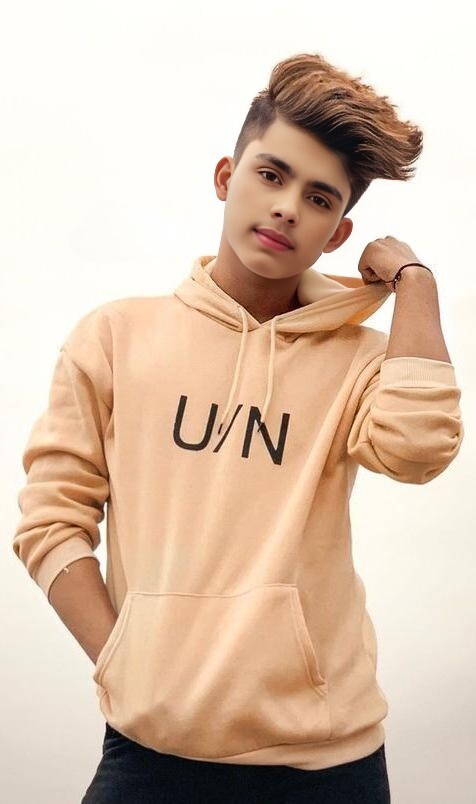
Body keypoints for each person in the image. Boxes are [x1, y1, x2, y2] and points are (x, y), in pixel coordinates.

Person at [12, 51, 464, 803]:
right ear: (227, 177)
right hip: (150, 752)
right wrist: (123, 658)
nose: (287, 207)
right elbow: (51, 522)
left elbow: (418, 451)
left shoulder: (360, 359)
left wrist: (416, 284)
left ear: (338, 231)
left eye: (318, 198)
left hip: (328, 763)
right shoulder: (116, 338)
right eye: (271, 175)